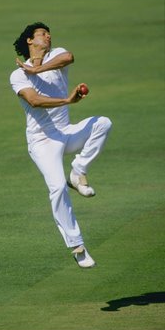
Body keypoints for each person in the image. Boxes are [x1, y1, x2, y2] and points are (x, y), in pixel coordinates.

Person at [10, 22, 112, 268]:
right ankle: (77, 246)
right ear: (30, 41)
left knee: (103, 123)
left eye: (48, 33)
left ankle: (78, 172)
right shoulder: (17, 74)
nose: (48, 36)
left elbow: (69, 57)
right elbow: (34, 101)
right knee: (57, 188)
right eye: (42, 34)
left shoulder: (55, 55)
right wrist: (67, 99)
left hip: (65, 133)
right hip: (42, 142)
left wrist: (39, 68)